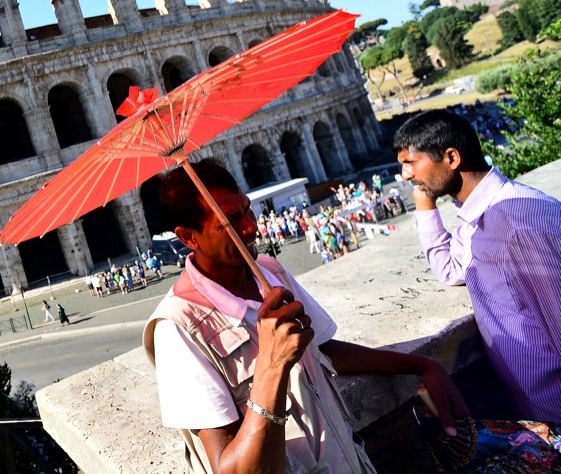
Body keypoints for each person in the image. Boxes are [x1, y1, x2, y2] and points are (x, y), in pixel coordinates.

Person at [144, 161, 467, 473]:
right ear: (189, 237)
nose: (250, 226)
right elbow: (232, 469)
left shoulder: (270, 272)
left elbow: (323, 351)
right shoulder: (178, 329)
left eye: (246, 209)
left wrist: (422, 365)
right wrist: (272, 366)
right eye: (229, 221)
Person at [394, 109, 561, 422]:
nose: (405, 176)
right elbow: (450, 269)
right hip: (535, 412)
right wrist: (425, 203)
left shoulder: (515, 222)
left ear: (452, 158)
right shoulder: (476, 218)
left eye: (411, 163)